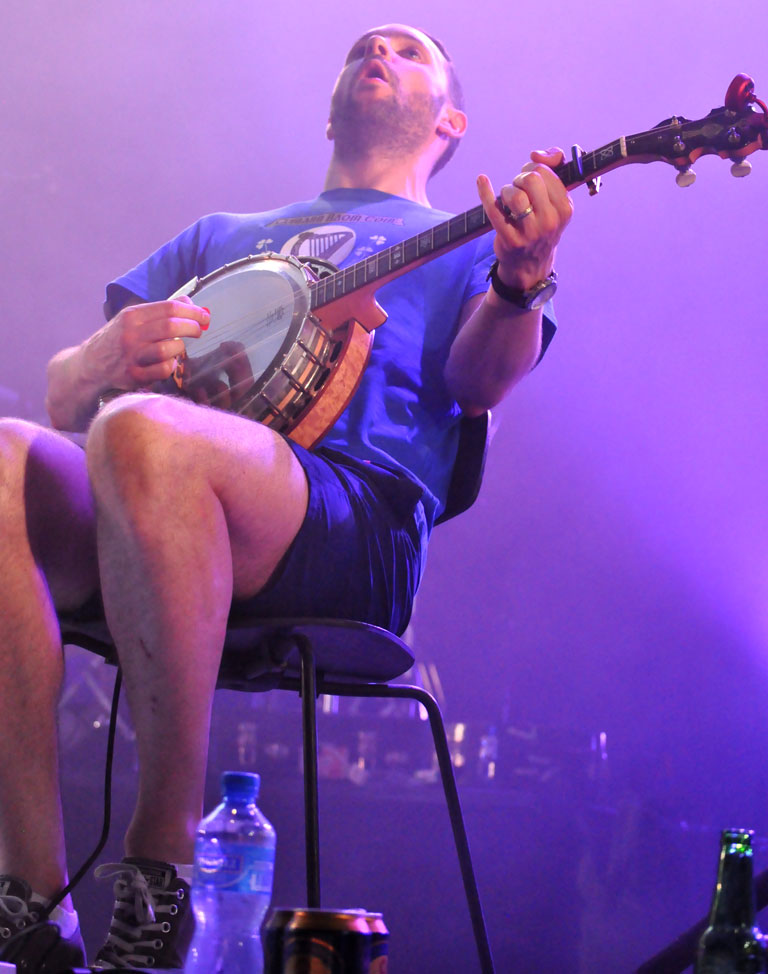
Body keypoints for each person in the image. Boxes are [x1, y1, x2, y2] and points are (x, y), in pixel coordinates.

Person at [0, 22, 573, 972]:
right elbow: (67, 395)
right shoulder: (220, 236)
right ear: (330, 110)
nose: (379, 52)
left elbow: (480, 384)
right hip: (160, 491)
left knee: (140, 430)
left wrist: (521, 281)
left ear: (452, 122)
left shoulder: (474, 234)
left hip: (354, 520)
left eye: (411, 51)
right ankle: (28, 899)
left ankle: (161, 874)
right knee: (7, 458)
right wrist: (100, 355)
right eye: (363, 47)